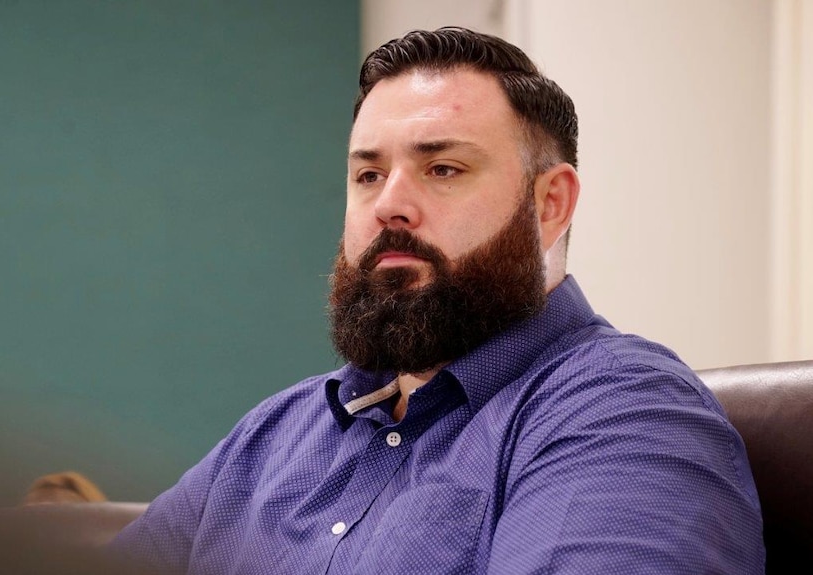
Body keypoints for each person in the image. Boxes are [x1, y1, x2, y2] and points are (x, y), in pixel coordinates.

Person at [110, 27, 765, 574]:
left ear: (549, 204)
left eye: (442, 168)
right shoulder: (273, 435)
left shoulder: (626, 414)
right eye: (369, 174)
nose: (389, 202)